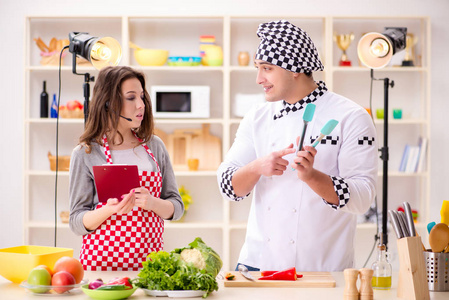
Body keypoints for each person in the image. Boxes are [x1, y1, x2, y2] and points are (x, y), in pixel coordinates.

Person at [217, 20, 378, 272]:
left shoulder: (352, 116)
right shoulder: (257, 116)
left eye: (267, 68)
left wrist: (313, 177)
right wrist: (258, 167)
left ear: (295, 69)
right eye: (258, 68)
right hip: (256, 265)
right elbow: (227, 186)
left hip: (321, 269)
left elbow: (362, 198)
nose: (259, 79)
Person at [69, 66, 184, 271]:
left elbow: (177, 208)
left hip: (150, 268)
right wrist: (108, 210)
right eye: (131, 98)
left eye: (142, 97)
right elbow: (76, 222)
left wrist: (153, 203)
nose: (141, 105)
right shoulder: (86, 153)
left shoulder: (154, 146)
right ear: (108, 102)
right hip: (100, 269)